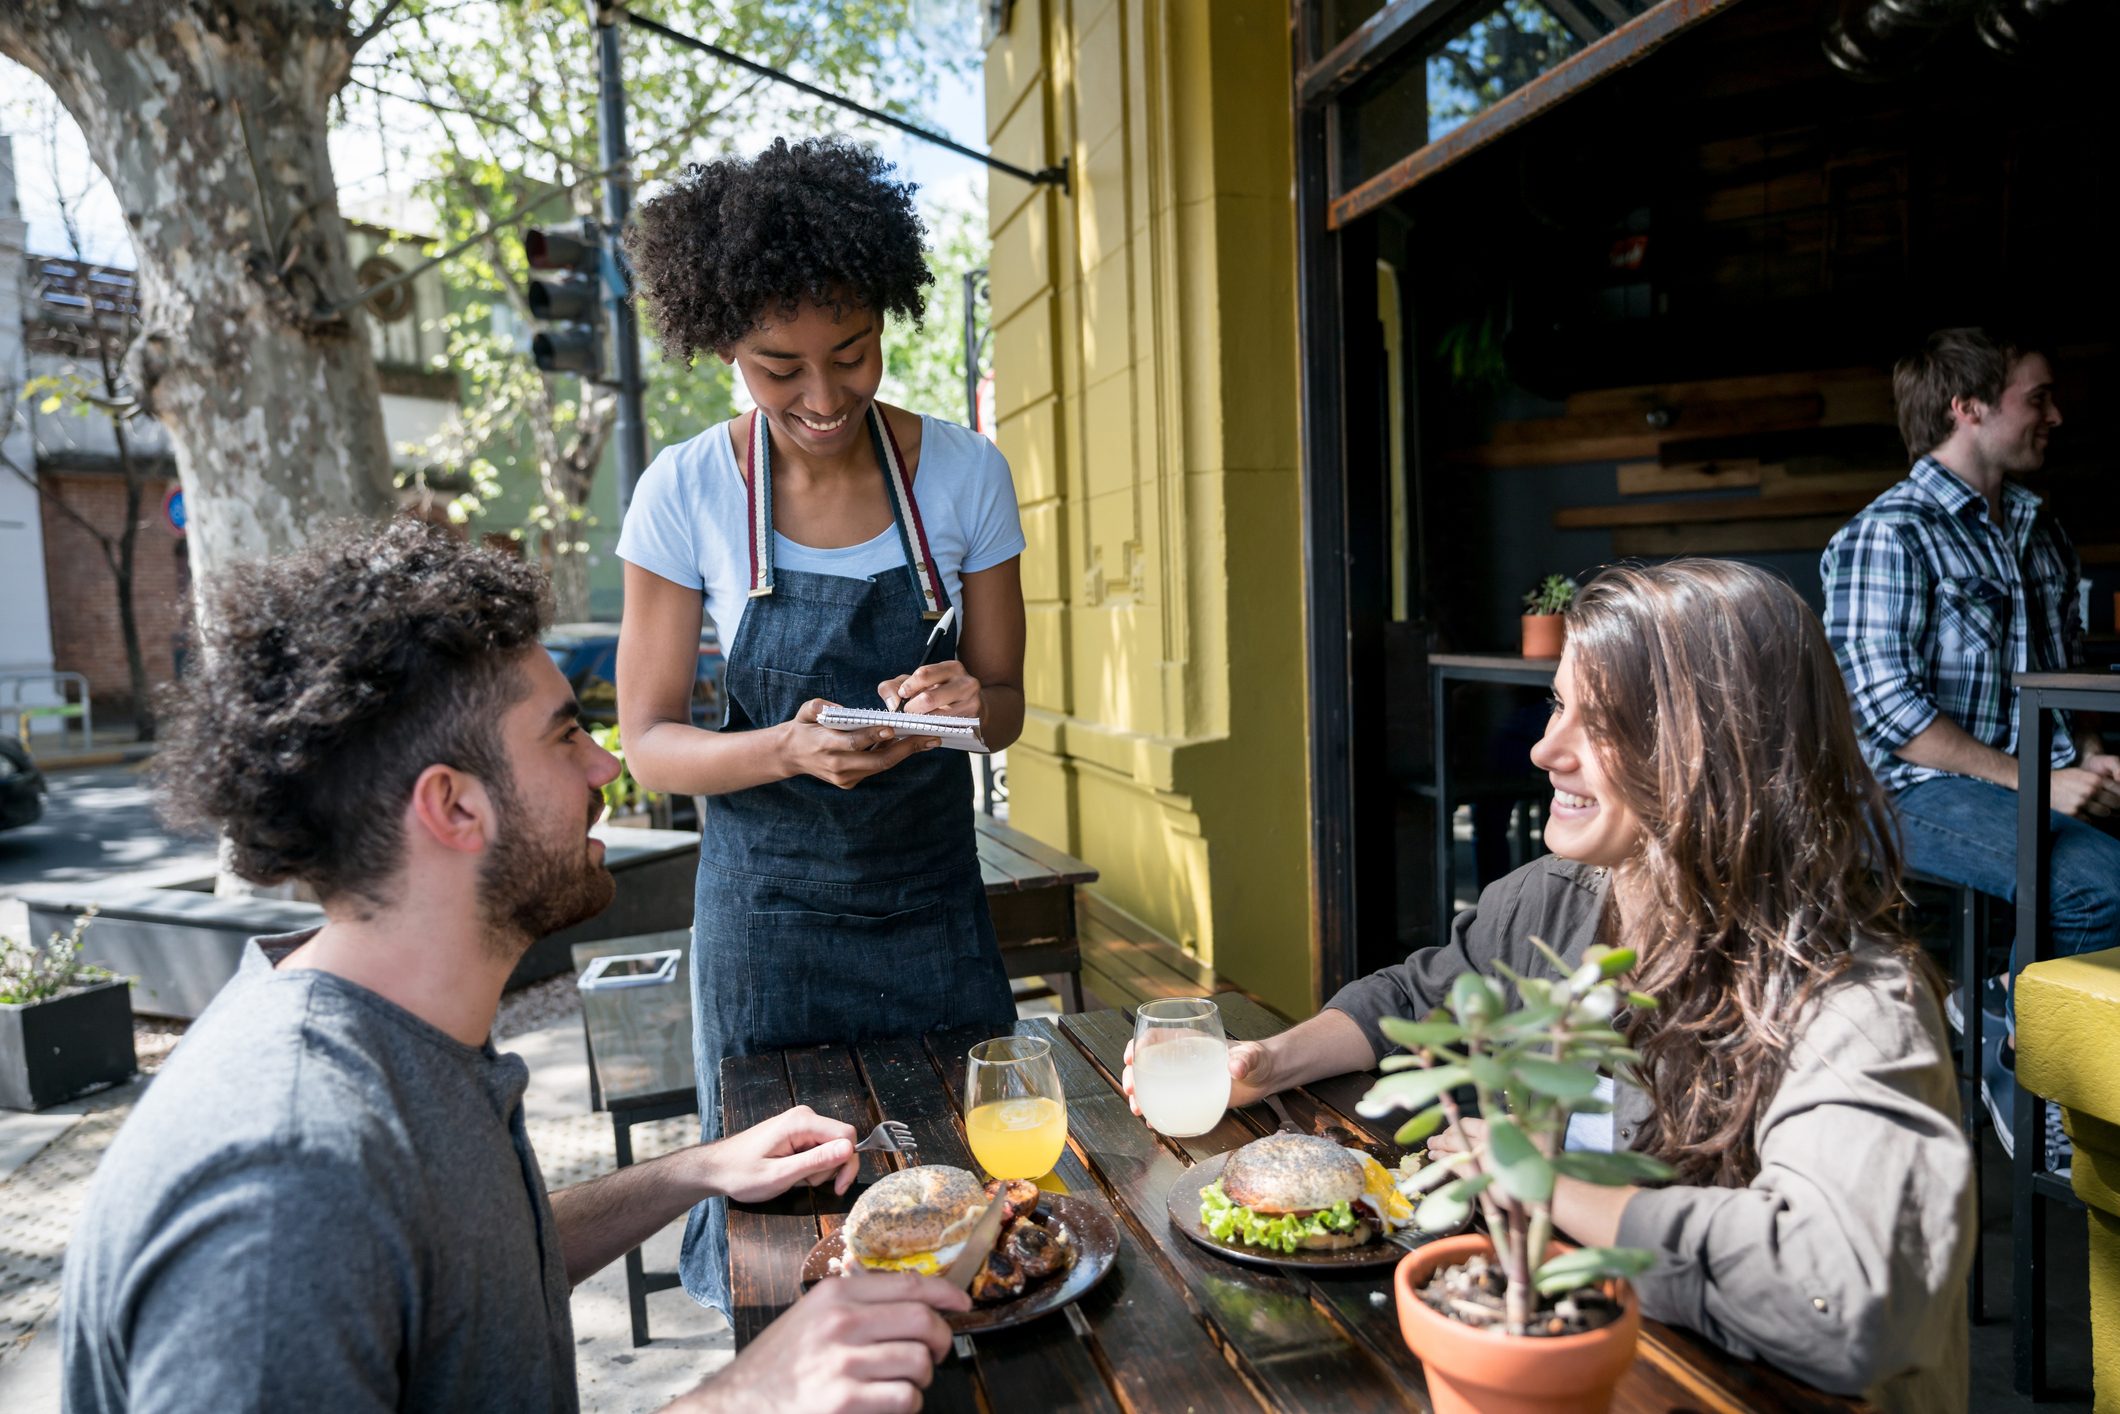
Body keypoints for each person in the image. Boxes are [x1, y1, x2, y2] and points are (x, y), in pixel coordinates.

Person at [62, 521, 968, 1413]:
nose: (606, 766)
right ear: (453, 807)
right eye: (566, 737)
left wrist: (693, 1171)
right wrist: (745, 1397)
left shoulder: (398, 1039)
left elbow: (471, 1260)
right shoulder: (282, 1193)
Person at [1125, 560, 1975, 1412]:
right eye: (1559, 703)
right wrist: (1269, 1061)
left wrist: (1540, 1180)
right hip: (1580, 1352)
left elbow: (1846, 1299)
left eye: (1601, 724)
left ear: (1719, 748)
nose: (1543, 749)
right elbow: (1421, 997)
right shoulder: (1552, 900)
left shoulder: (1855, 1003)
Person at [615, 138, 1024, 1317]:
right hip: (766, 922)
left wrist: (963, 706)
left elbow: (1004, 710)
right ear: (721, 347)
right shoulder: (684, 491)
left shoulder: (961, 474)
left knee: (971, 1219)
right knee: (786, 1244)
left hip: (930, 901)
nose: (821, 396)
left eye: (851, 355)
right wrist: (785, 749)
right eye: (773, 365)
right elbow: (649, 742)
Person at [1821, 327, 2120, 1163]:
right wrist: (2038, 782)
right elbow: (1887, 711)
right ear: (1969, 407)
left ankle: (2004, 1000)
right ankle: (2035, 1065)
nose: (2055, 415)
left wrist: (2088, 752)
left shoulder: (2038, 530)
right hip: (1899, 791)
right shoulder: (1891, 532)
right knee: (2097, 889)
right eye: (2039, 398)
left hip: (2022, 777)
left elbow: (2062, 669)